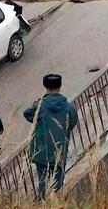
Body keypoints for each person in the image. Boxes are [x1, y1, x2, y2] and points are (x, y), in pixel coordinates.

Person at [23, 73, 78, 201]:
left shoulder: (40, 106)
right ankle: (56, 202)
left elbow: (27, 114)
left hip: (42, 150)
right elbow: (73, 123)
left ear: (46, 88)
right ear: (60, 87)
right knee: (57, 183)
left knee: (42, 182)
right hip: (60, 150)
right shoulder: (69, 107)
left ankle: (43, 202)